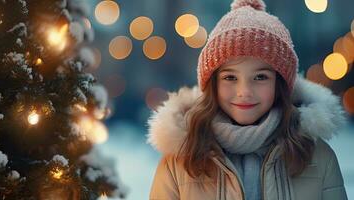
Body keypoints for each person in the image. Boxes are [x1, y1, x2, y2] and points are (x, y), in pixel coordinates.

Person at [147, 0, 348, 199]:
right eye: (230, 77)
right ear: (213, 84)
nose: (244, 91)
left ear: (279, 84)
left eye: (260, 77)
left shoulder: (317, 157)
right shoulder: (180, 161)